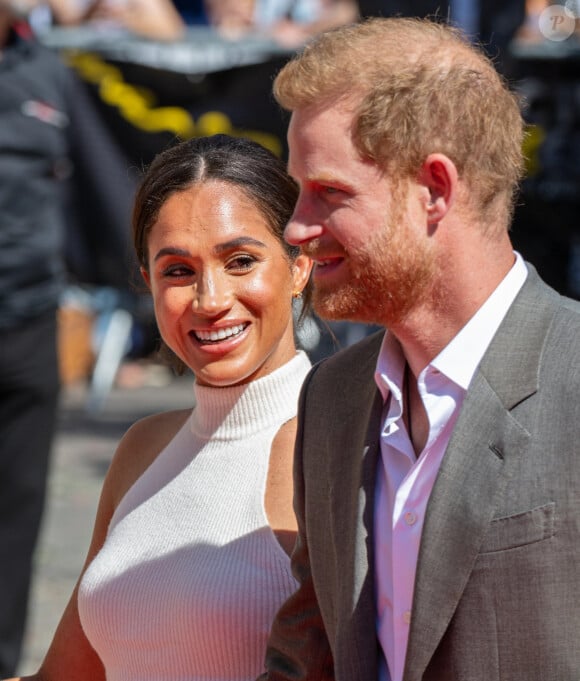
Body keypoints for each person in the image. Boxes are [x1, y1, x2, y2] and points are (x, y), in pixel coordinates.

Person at [260, 16, 580, 681]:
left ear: (434, 189)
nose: (296, 226)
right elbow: (309, 656)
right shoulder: (334, 398)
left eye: (330, 193)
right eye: (298, 194)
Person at [6, 134, 312, 680]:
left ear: (299, 267)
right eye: (177, 270)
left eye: (240, 260)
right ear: (148, 283)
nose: (210, 299)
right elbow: (67, 676)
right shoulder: (144, 448)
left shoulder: (340, 442)